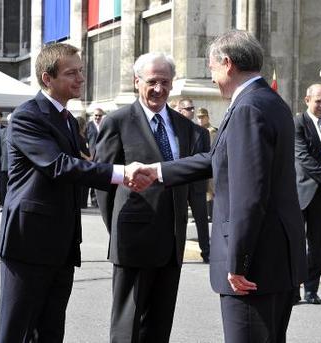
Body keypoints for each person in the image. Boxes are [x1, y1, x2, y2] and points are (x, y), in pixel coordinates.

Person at [130, 30, 307, 343]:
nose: (211, 79)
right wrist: (157, 170)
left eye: (211, 69)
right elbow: (217, 159)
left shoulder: (248, 108)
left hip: (254, 266)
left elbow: (249, 195)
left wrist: (239, 262)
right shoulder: (271, 101)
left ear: (227, 64)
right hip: (278, 257)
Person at [0, 42, 147, 343]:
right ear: (46, 78)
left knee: (50, 331)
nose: (80, 79)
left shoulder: (65, 118)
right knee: (17, 330)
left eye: (81, 71)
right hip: (29, 242)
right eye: (71, 73)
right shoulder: (28, 116)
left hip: (61, 244)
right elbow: (59, 166)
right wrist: (120, 173)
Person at [95, 52, 196, 343]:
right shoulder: (117, 122)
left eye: (165, 82)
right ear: (136, 81)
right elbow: (104, 184)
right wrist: (118, 228)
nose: (159, 89)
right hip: (133, 241)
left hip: (172, 244)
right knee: (127, 328)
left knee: (159, 327)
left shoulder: (185, 127)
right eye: (152, 82)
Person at [294, 83, 321, 304]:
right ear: (307, 100)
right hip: (301, 193)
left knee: (317, 245)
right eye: (318, 101)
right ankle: (291, 289)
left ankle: (311, 289)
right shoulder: (298, 123)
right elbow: (303, 158)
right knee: (296, 245)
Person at [177, 98, 211, 263]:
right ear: (180, 110)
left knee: (202, 219)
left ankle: (206, 252)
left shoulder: (202, 133)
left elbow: (207, 157)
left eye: (192, 108)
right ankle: (176, 252)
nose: (191, 111)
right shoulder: (173, 132)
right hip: (179, 183)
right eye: (188, 108)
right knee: (179, 220)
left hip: (197, 182)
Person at [196, 107, 217, 221]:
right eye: (198, 117)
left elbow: (212, 148)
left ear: (207, 117)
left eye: (202, 117)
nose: (200, 119)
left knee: (210, 189)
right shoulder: (197, 130)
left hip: (210, 162)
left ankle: (212, 214)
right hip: (201, 161)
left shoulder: (211, 131)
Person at [0, 113, 11, 209]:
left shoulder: (20, 131)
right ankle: (4, 205)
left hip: (17, 165)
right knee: (3, 186)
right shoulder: (2, 132)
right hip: (4, 164)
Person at [76, 115, 92, 208]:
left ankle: (84, 203)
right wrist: (87, 157)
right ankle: (81, 203)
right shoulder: (77, 135)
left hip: (87, 160)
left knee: (86, 184)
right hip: (82, 160)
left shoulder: (83, 134)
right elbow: (79, 150)